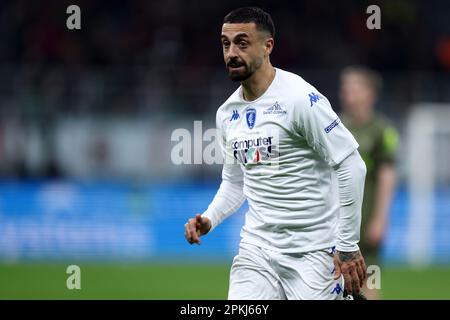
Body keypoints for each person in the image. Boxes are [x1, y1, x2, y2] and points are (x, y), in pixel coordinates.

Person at [184, 7, 367, 300]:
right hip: (256, 252)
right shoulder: (227, 114)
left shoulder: (299, 99)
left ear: (268, 46)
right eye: (225, 44)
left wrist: (347, 246)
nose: (231, 52)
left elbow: (352, 166)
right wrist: (209, 219)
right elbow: (235, 183)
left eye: (242, 43)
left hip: (313, 253)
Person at [339, 66, 399, 300]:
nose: (346, 92)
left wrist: (381, 219)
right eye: (345, 87)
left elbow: (387, 175)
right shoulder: (333, 126)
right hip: (336, 222)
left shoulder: (382, 131)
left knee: (369, 281)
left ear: (370, 94)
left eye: (354, 87)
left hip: (366, 223)